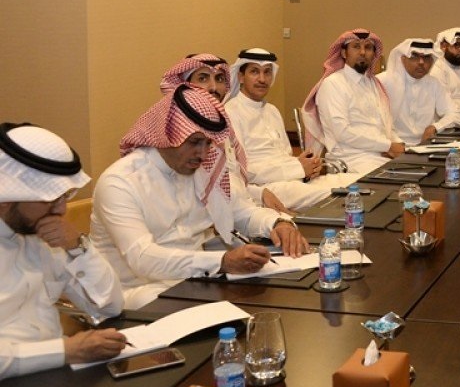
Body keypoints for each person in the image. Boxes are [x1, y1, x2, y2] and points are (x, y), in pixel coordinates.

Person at [91, 84, 308, 310]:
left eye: (208, 143)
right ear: (167, 135)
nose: (203, 154)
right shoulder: (120, 182)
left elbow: (239, 212)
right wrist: (222, 262)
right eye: (194, 142)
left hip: (197, 280)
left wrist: (278, 223)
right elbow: (143, 258)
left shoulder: (202, 167)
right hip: (138, 292)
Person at [0, 122, 125, 380]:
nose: (61, 210)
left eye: (64, 197)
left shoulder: (43, 235)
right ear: (7, 198)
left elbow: (110, 306)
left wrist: (77, 246)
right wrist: (66, 351)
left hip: (57, 375)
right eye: (50, 199)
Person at [159, 53, 291, 214]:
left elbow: (229, 181)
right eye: (203, 78)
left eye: (219, 79)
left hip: (231, 212)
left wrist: (259, 195)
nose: (213, 87)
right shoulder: (173, 134)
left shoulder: (221, 128)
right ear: (184, 86)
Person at [224, 48, 332, 211]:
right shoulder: (231, 111)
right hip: (265, 188)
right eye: (254, 71)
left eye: (267, 72)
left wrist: (307, 167)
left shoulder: (272, 110)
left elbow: (284, 156)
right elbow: (243, 170)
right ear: (240, 76)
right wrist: (298, 168)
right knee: (336, 196)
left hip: (293, 181)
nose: (262, 79)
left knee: (350, 183)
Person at [302, 28, 404, 175]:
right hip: (351, 159)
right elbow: (342, 132)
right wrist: (387, 146)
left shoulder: (373, 84)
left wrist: (399, 145)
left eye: (368, 47)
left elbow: (386, 124)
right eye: (356, 47)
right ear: (344, 53)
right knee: (400, 180)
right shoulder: (333, 84)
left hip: (381, 155)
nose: (363, 52)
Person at [377, 38, 460, 145]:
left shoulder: (434, 83)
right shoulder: (383, 82)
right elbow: (375, 122)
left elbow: (455, 114)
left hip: (425, 145)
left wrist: (436, 127)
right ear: (403, 59)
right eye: (414, 56)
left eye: (426, 57)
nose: (421, 62)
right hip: (391, 145)